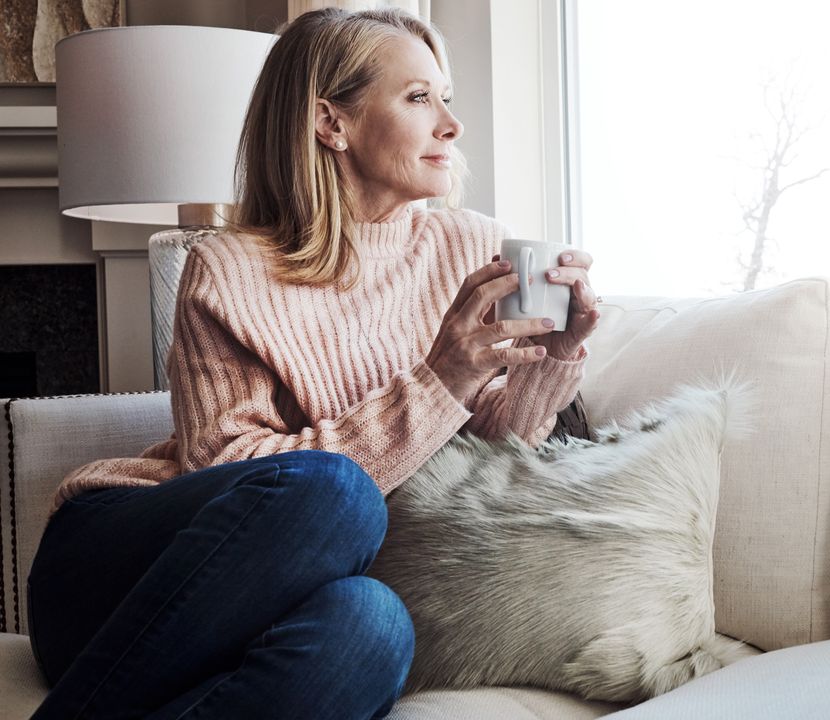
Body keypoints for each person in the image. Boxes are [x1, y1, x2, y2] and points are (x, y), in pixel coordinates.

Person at [25, 7, 600, 719]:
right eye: (419, 98)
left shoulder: (471, 245)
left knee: (372, 625)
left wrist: (551, 360)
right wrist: (439, 379)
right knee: (337, 493)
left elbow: (470, 463)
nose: (451, 124)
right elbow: (232, 479)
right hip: (118, 571)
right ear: (332, 123)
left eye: (446, 97)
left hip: (273, 605)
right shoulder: (229, 266)